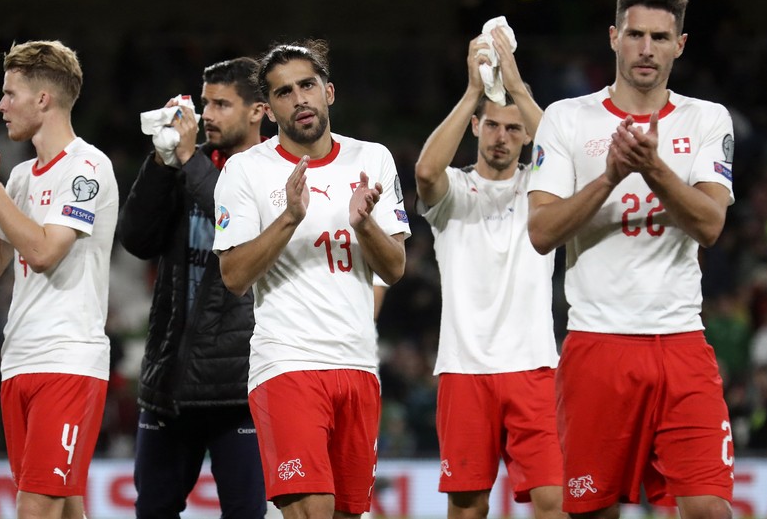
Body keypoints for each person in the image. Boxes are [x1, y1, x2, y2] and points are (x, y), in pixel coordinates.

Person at [527, 0, 735, 518]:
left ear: (680, 45)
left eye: (660, 37)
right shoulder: (567, 117)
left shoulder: (707, 119)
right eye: (636, 34)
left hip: (681, 342)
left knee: (710, 508)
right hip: (598, 343)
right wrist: (610, 177)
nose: (647, 48)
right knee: (592, 512)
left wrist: (653, 167)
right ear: (614, 37)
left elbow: (710, 224)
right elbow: (541, 231)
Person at [212, 39, 411, 518]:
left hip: (359, 365)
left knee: (348, 513)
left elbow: (394, 268)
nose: (298, 98)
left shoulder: (373, 158)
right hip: (287, 363)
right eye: (283, 92)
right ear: (269, 107)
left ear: (329, 92)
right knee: (311, 510)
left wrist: (364, 225)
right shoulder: (245, 171)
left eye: (307, 85)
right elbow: (234, 276)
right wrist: (288, 218)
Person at [0, 40, 118, 519]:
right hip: (20, 360)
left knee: (35, 505)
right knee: (62, 504)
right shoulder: (19, 178)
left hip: (68, 359)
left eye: (9, 93)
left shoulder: (87, 168)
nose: (1, 105)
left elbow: (41, 252)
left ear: (44, 99)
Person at [415, 26, 564, 519]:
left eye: (514, 128)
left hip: (535, 365)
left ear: (526, 136)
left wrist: (518, 89)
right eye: (493, 125)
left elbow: (571, 156)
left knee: (556, 501)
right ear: (476, 127)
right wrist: (473, 91)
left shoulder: (541, 190)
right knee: (467, 506)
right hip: (464, 368)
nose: (503, 137)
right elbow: (424, 174)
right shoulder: (454, 191)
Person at [118, 57, 267, 519]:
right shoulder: (187, 164)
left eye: (223, 104)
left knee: (245, 514)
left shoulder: (276, 171)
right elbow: (138, 240)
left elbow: (238, 226)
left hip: (239, 388)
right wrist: (162, 162)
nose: (208, 115)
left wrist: (187, 160)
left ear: (258, 110)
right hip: (171, 379)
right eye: (206, 102)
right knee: (154, 511)